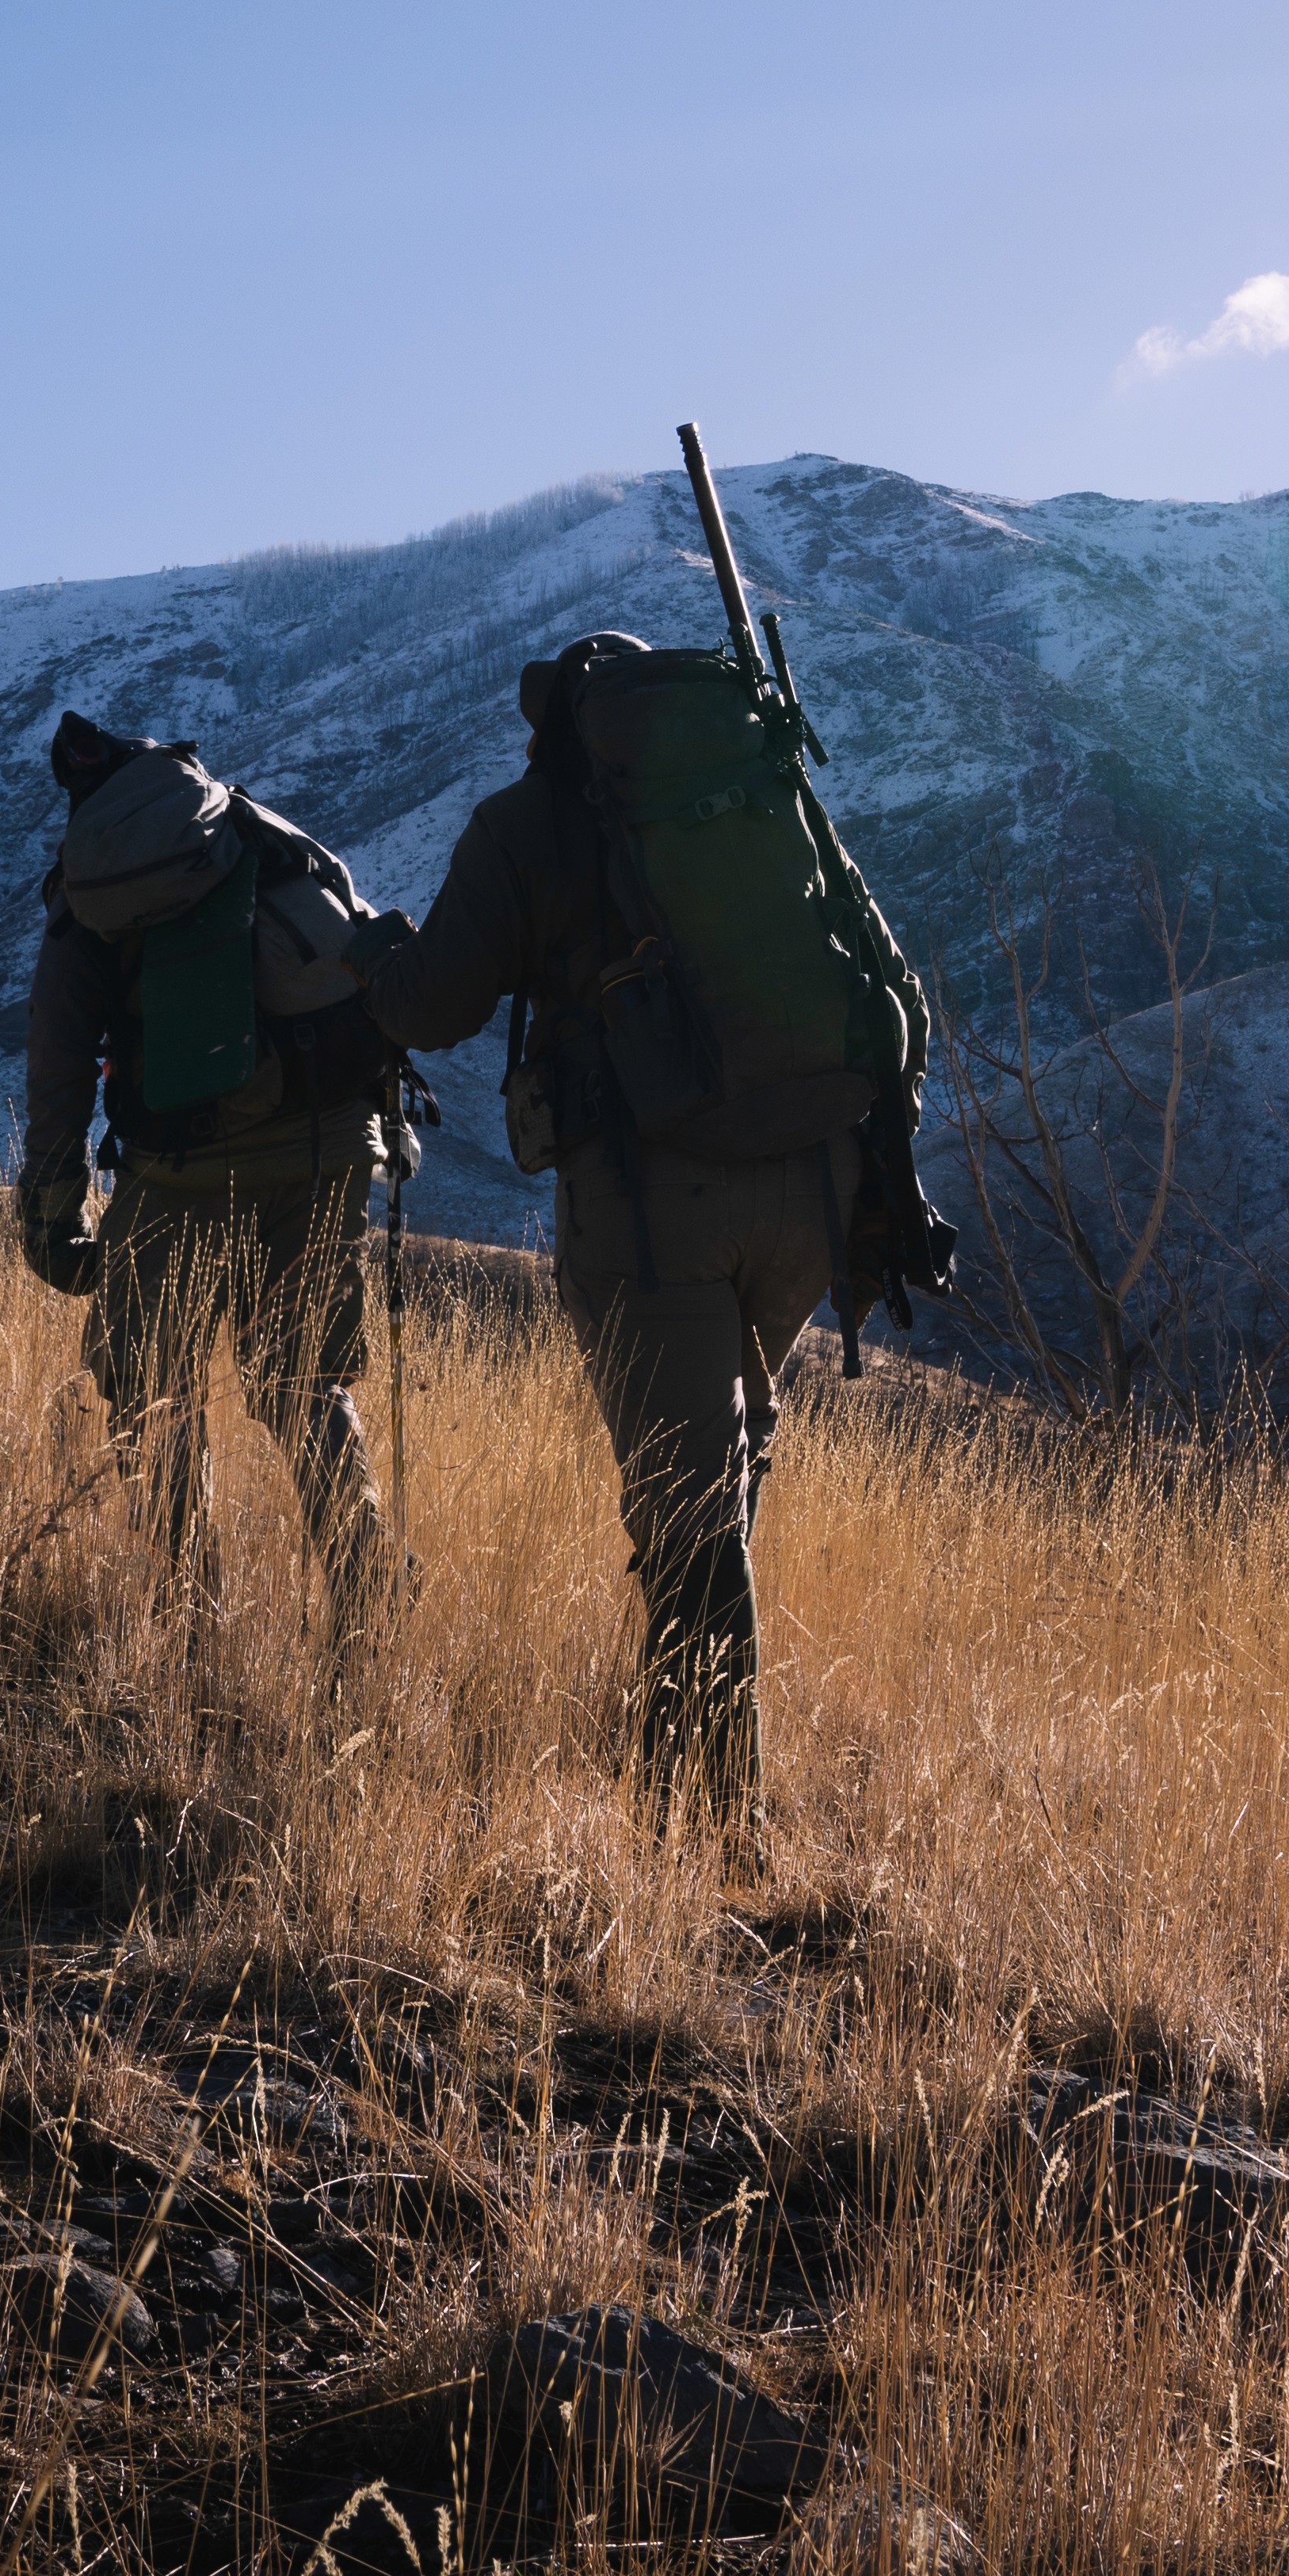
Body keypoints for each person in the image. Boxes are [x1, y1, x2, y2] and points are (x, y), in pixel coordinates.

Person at [358, 633, 908, 1823]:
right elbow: (887, 984)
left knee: (690, 1508)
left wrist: (374, 957)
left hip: (654, 1207)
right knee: (729, 1467)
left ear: (555, 726)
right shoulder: (759, 794)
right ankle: (678, 1751)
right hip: (813, 1184)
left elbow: (432, 1004)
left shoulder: (526, 825)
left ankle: (711, 1827)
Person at [17, 711, 410, 1652]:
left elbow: (61, 1060)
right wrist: (383, 1130)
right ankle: (365, 1579)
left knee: (151, 1389)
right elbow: (359, 962)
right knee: (303, 1382)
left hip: (182, 1164)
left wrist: (50, 1210)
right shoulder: (263, 834)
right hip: (327, 1145)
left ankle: (190, 1619)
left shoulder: (95, 887)